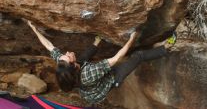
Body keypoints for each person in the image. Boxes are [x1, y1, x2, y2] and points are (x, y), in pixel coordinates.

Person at [27, 20, 167, 103]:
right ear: (73, 66)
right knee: (138, 55)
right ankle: (166, 47)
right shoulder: (89, 72)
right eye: (68, 56)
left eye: (65, 55)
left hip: (86, 83)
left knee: (83, 57)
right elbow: (116, 58)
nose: (67, 53)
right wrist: (132, 38)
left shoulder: (64, 65)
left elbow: (49, 46)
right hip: (108, 82)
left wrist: (33, 28)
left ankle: (97, 41)